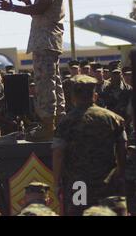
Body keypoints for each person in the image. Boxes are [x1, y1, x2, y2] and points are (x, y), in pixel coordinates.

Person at [0, 0, 66, 141]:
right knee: (53, 82)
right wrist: (27, 1)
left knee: (44, 84)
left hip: (46, 42)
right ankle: (58, 122)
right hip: (48, 41)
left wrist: (13, 7)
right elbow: (39, 12)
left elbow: (40, 9)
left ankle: (49, 126)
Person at [52, 75, 127, 215]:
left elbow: (58, 153)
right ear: (95, 95)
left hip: (78, 184)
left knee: (78, 212)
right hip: (106, 182)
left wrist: (56, 183)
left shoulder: (66, 122)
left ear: (73, 96)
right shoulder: (113, 119)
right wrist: (120, 173)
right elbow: (122, 147)